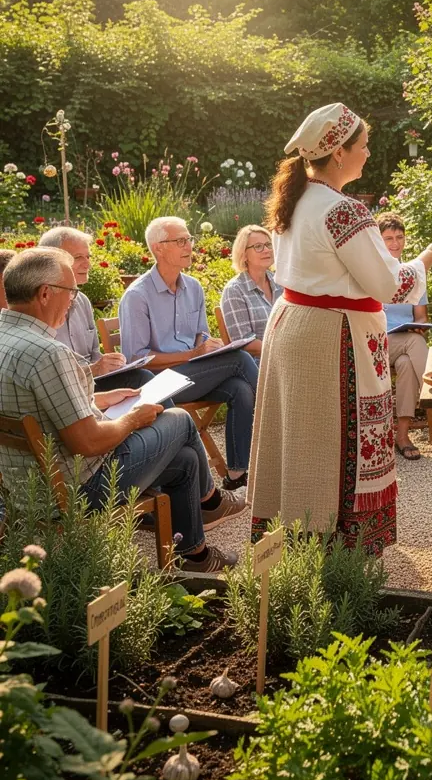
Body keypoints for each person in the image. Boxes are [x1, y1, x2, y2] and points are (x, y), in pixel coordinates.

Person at [247, 103, 432, 555]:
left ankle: (294, 539)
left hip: (293, 324)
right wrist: (427, 258)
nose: (368, 152)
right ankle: (336, 546)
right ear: (339, 152)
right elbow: (388, 284)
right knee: (334, 437)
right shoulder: (344, 211)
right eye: (363, 145)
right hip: (331, 333)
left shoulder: (294, 199)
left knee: (301, 436)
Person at [0, 248, 245, 572]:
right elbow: (88, 443)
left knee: (185, 460)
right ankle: (211, 501)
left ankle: (195, 556)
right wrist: (133, 419)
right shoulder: (48, 353)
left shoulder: (7, 338)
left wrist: (100, 400)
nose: (73, 300)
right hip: (77, 490)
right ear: (45, 294)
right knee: (180, 419)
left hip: (24, 487)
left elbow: (43, 408)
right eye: (71, 291)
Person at [118, 216, 260, 491]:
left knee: (240, 389)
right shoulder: (137, 295)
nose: (189, 246)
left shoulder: (193, 287)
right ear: (158, 248)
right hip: (159, 382)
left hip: (194, 374)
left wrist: (208, 346)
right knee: (240, 358)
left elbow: (200, 334)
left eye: (189, 239)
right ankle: (279, 430)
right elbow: (136, 359)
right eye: (180, 241)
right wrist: (192, 354)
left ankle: (237, 475)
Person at [37, 227, 154, 391]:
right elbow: (46, 375)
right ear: (52, 260)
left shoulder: (83, 301)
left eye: (88, 256)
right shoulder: (40, 305)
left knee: (143, 378)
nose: (87, 264)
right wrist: (95, 369)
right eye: (78, 257)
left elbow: (94, 355)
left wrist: (111, 364)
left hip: (91, 383)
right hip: (63, 391)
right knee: (143, 380)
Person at [378, 212, 430, 461]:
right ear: (378, 241)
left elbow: (420, 316)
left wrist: (419, 326)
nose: (395, 243)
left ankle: (402, 436)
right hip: (374, 344)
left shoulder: (414, 275)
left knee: (407, 363)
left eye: (399, 237)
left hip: (404, 344)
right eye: (388, 238)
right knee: (415, 342)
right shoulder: (372, 273)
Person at [218, 224, 283, 360]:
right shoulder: (234, 291)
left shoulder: (280, 282)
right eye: (258, 246)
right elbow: (245, 343)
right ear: (244, 254)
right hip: (258, 364)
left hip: (286, 358)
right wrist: (283, 352)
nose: (267, 250)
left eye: (268, 245)